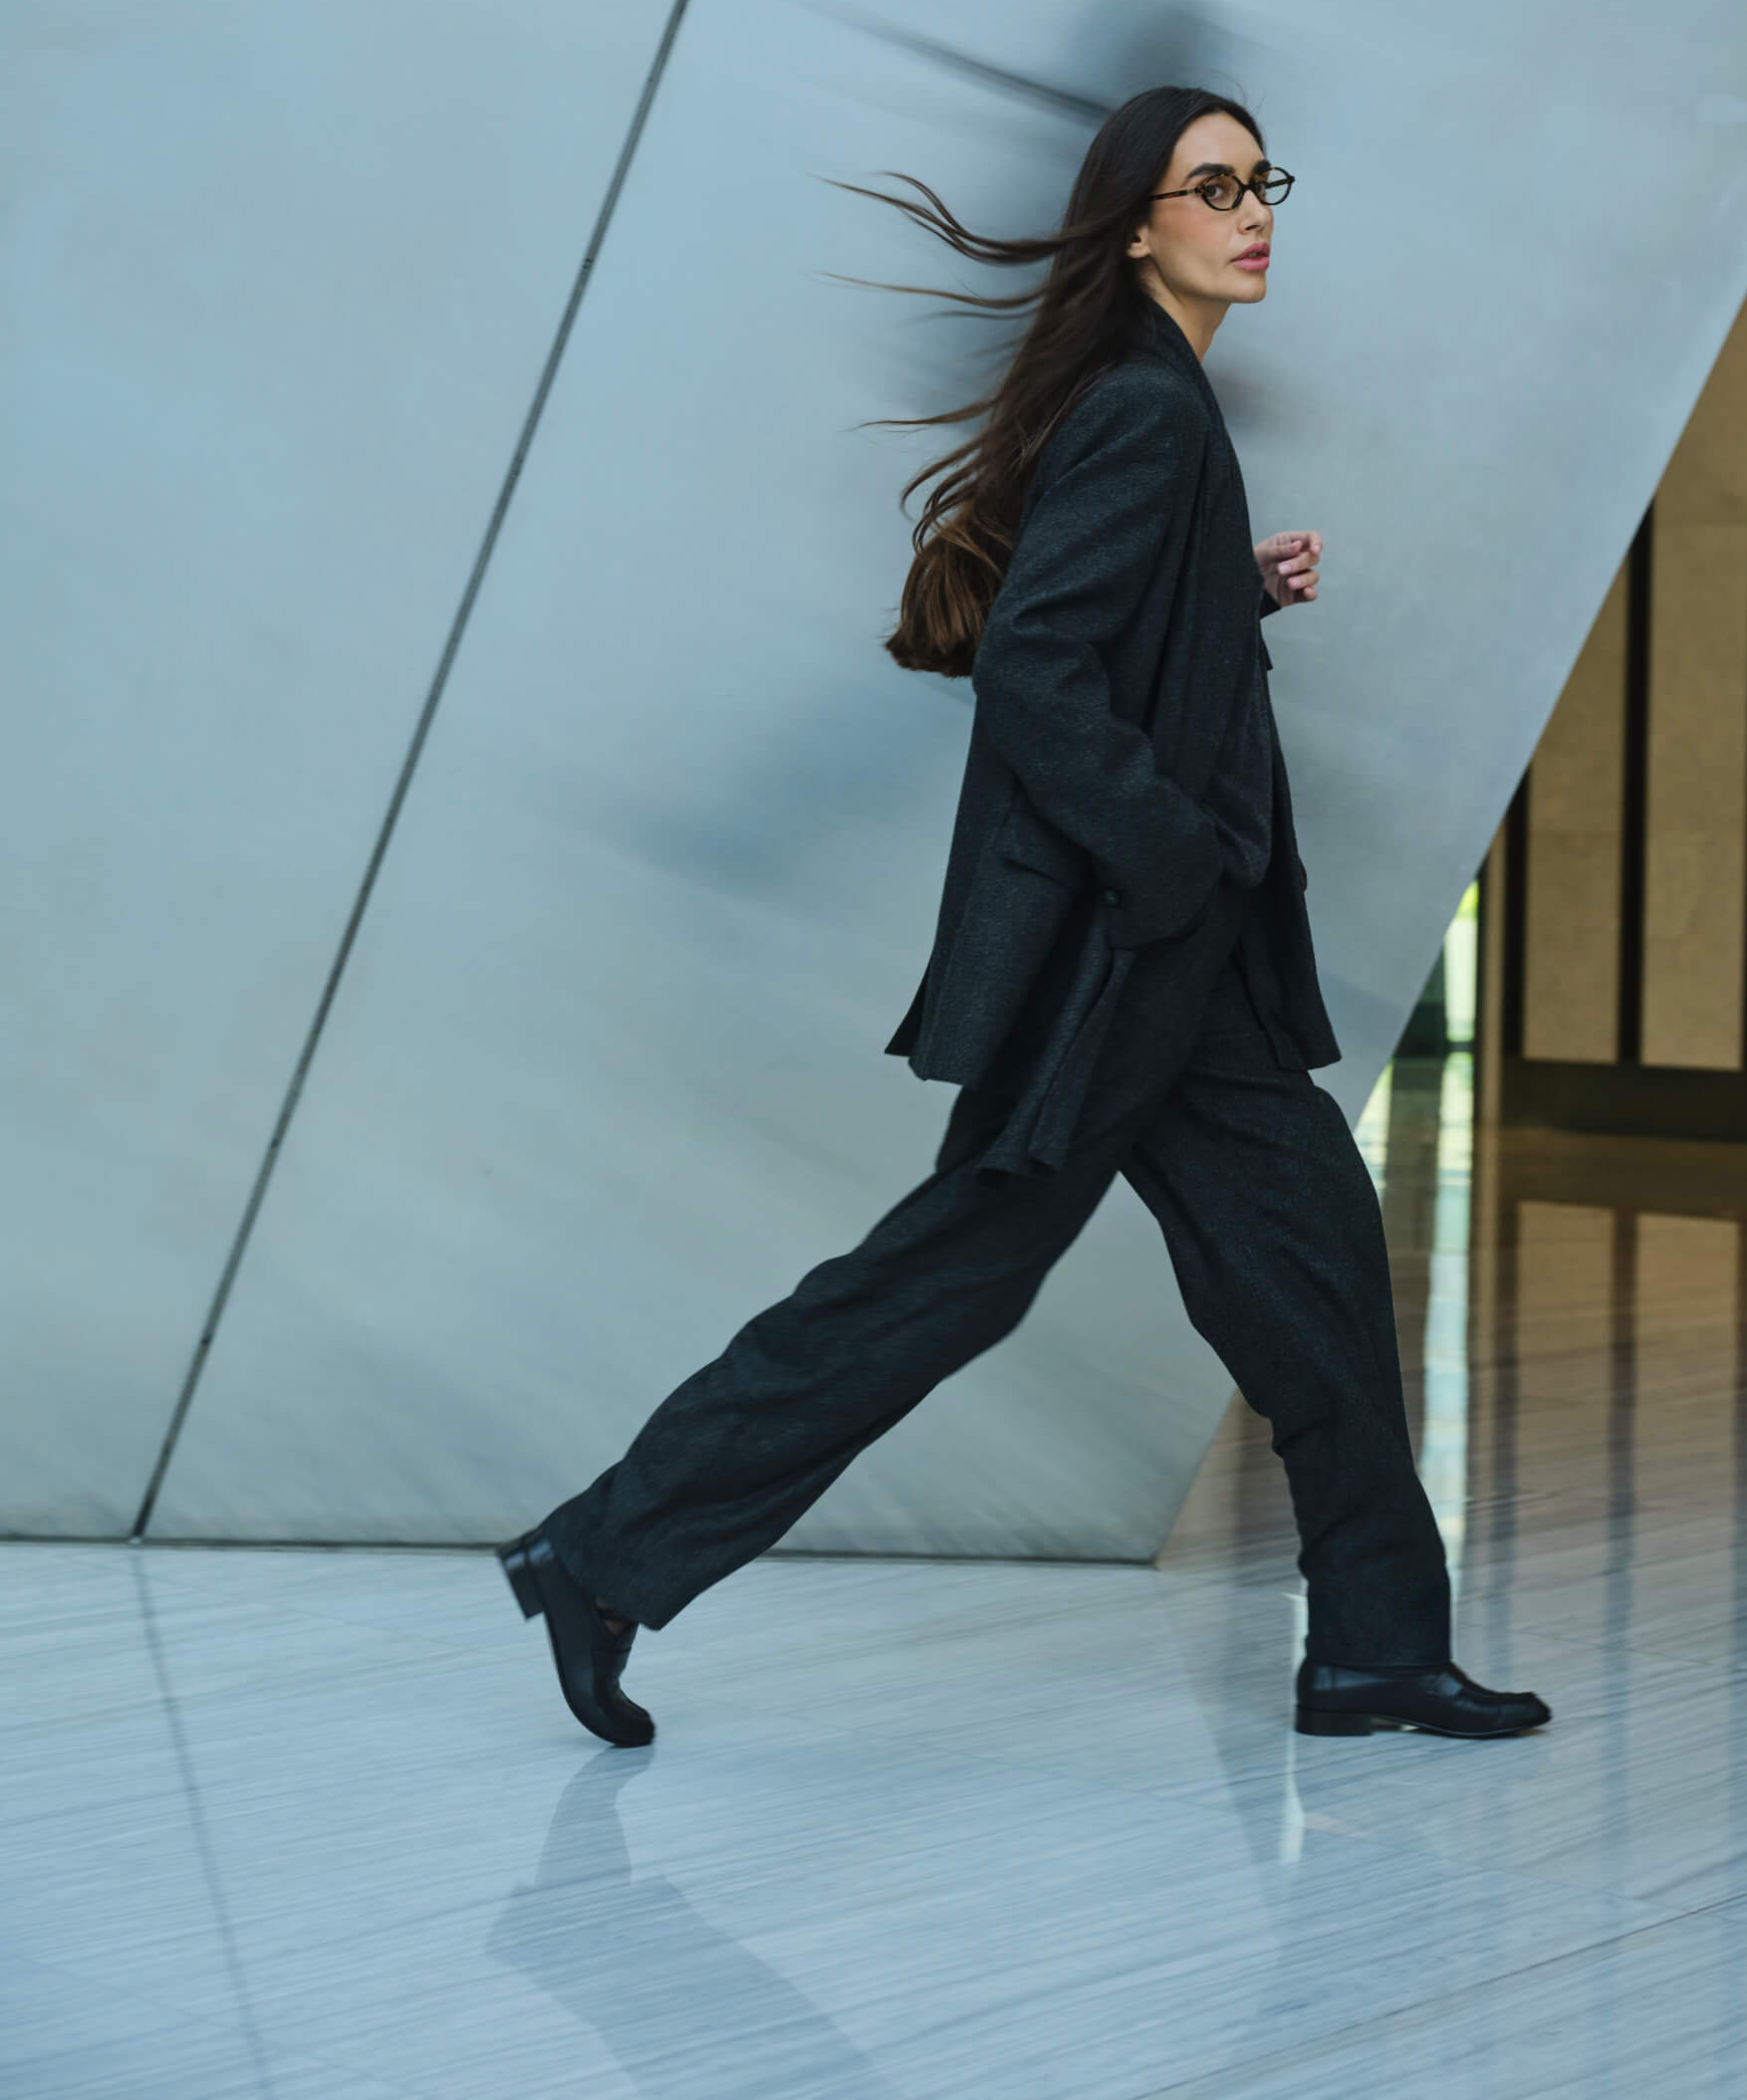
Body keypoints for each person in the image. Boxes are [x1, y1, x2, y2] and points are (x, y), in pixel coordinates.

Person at [500, 87, 1549, 1748]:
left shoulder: (1158, 403)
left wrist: (1224, 595)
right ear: (1139, 224)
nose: (1253, 209)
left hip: (1168, 962)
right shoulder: (1145, 407)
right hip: (1143, 953)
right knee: (968, 1277)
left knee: (1302, 1272)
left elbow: (1095, 632)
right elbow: (1037, 669)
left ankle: (1374, 1648)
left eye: (1260, 180)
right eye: (1215, 187)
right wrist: (1175, 860)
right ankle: (604, 1550)